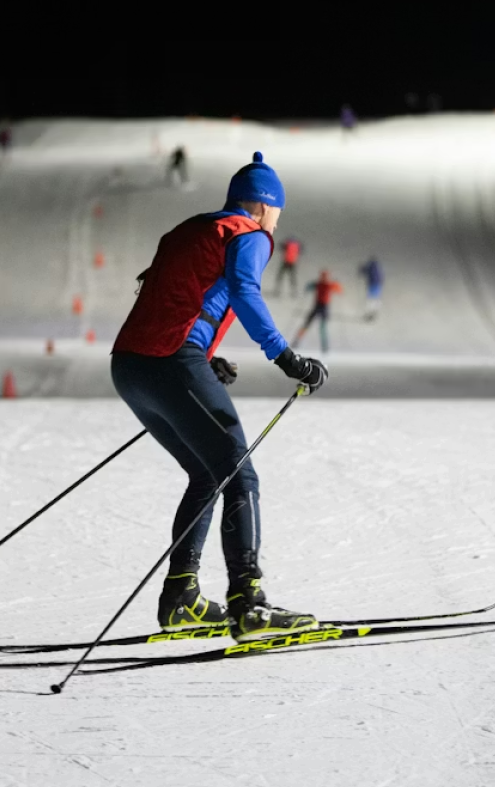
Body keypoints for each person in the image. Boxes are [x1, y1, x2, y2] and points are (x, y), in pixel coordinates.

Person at [111, 151, 329, 644]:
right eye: (277, 211)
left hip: (130, 365)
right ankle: (248, 603)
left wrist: (204, 357)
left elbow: (177, 293)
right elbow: (245, 291)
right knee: (238, 470)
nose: (276, 222)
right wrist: (286, 357)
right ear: (263, 206)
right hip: (170, 360)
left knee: (209, 473)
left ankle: (182, 600)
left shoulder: (193, 227)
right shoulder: (248, 233)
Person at [293, 270, 343, 352]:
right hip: (317, 306)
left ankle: (324, 346)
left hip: (324, 307)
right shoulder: (319, 284)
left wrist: (337, 284)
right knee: (307, 324)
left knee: (322, 327)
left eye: (325, 277)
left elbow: (339, 290)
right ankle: (297, 341)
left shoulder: (328, 284)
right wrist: (308, 287)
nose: (324, 278)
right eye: (323, 276)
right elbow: (309, 286)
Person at [359, 256, 384, 321]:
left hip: (371, 286)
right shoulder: (378, 268)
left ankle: (370, 314)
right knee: (376, 298)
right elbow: (381, 277)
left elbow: (364, 270)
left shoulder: (370, 267)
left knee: (370, 299)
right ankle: (375, 311)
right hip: (377, 286)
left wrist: (360, 269)